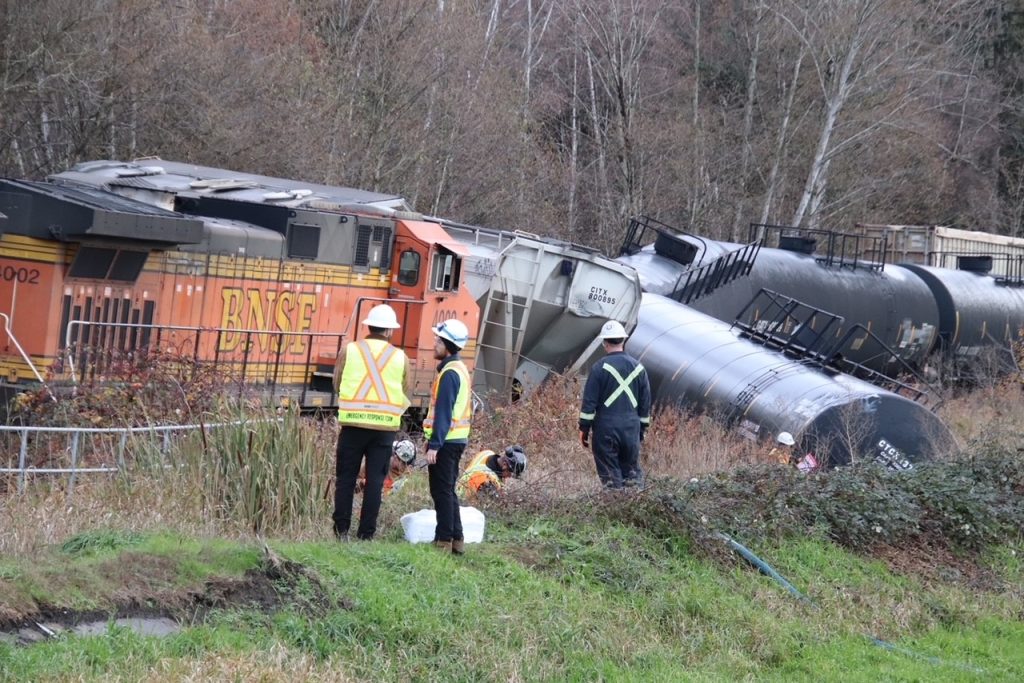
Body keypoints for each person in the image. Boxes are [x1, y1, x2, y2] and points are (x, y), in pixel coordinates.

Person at [332, 303, 411, 541]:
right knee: (375, 482)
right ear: (389, 331)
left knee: (346, 479)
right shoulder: (401, 357)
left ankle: (341, 532)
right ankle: (366, 534)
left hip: (353, 426)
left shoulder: (350, 350)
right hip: (384, 430)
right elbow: (405, 391)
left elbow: (337, 383)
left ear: (369, 326)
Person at [578, 320, 651, 489]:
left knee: (611, 478)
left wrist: (584, 429)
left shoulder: (598, 368)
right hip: (631, 429)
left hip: (606, 429)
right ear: (624, 341)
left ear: (605, 343)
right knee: (632, 476)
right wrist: (641, 431)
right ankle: (636, 509)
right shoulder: (639, 368)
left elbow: (589, 405)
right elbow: (645, 405)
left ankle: (616, 507)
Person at [423, 318, 473, 554]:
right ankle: (456, 539)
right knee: (448, 490)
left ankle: (443, 541)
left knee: (441, 491)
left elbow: (443, 411)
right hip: (454, 439)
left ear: (447, 344)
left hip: (447, 441)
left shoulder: (450, 373)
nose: (434, 343)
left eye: (438, 340)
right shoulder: (458, 369)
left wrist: (434, 444)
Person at [456, 445, 527, 500]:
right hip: (464, 508)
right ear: (505, 465)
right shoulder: (486, 481)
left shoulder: (487, 453)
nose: (509, 477)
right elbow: (492, 507)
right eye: (511, 474)